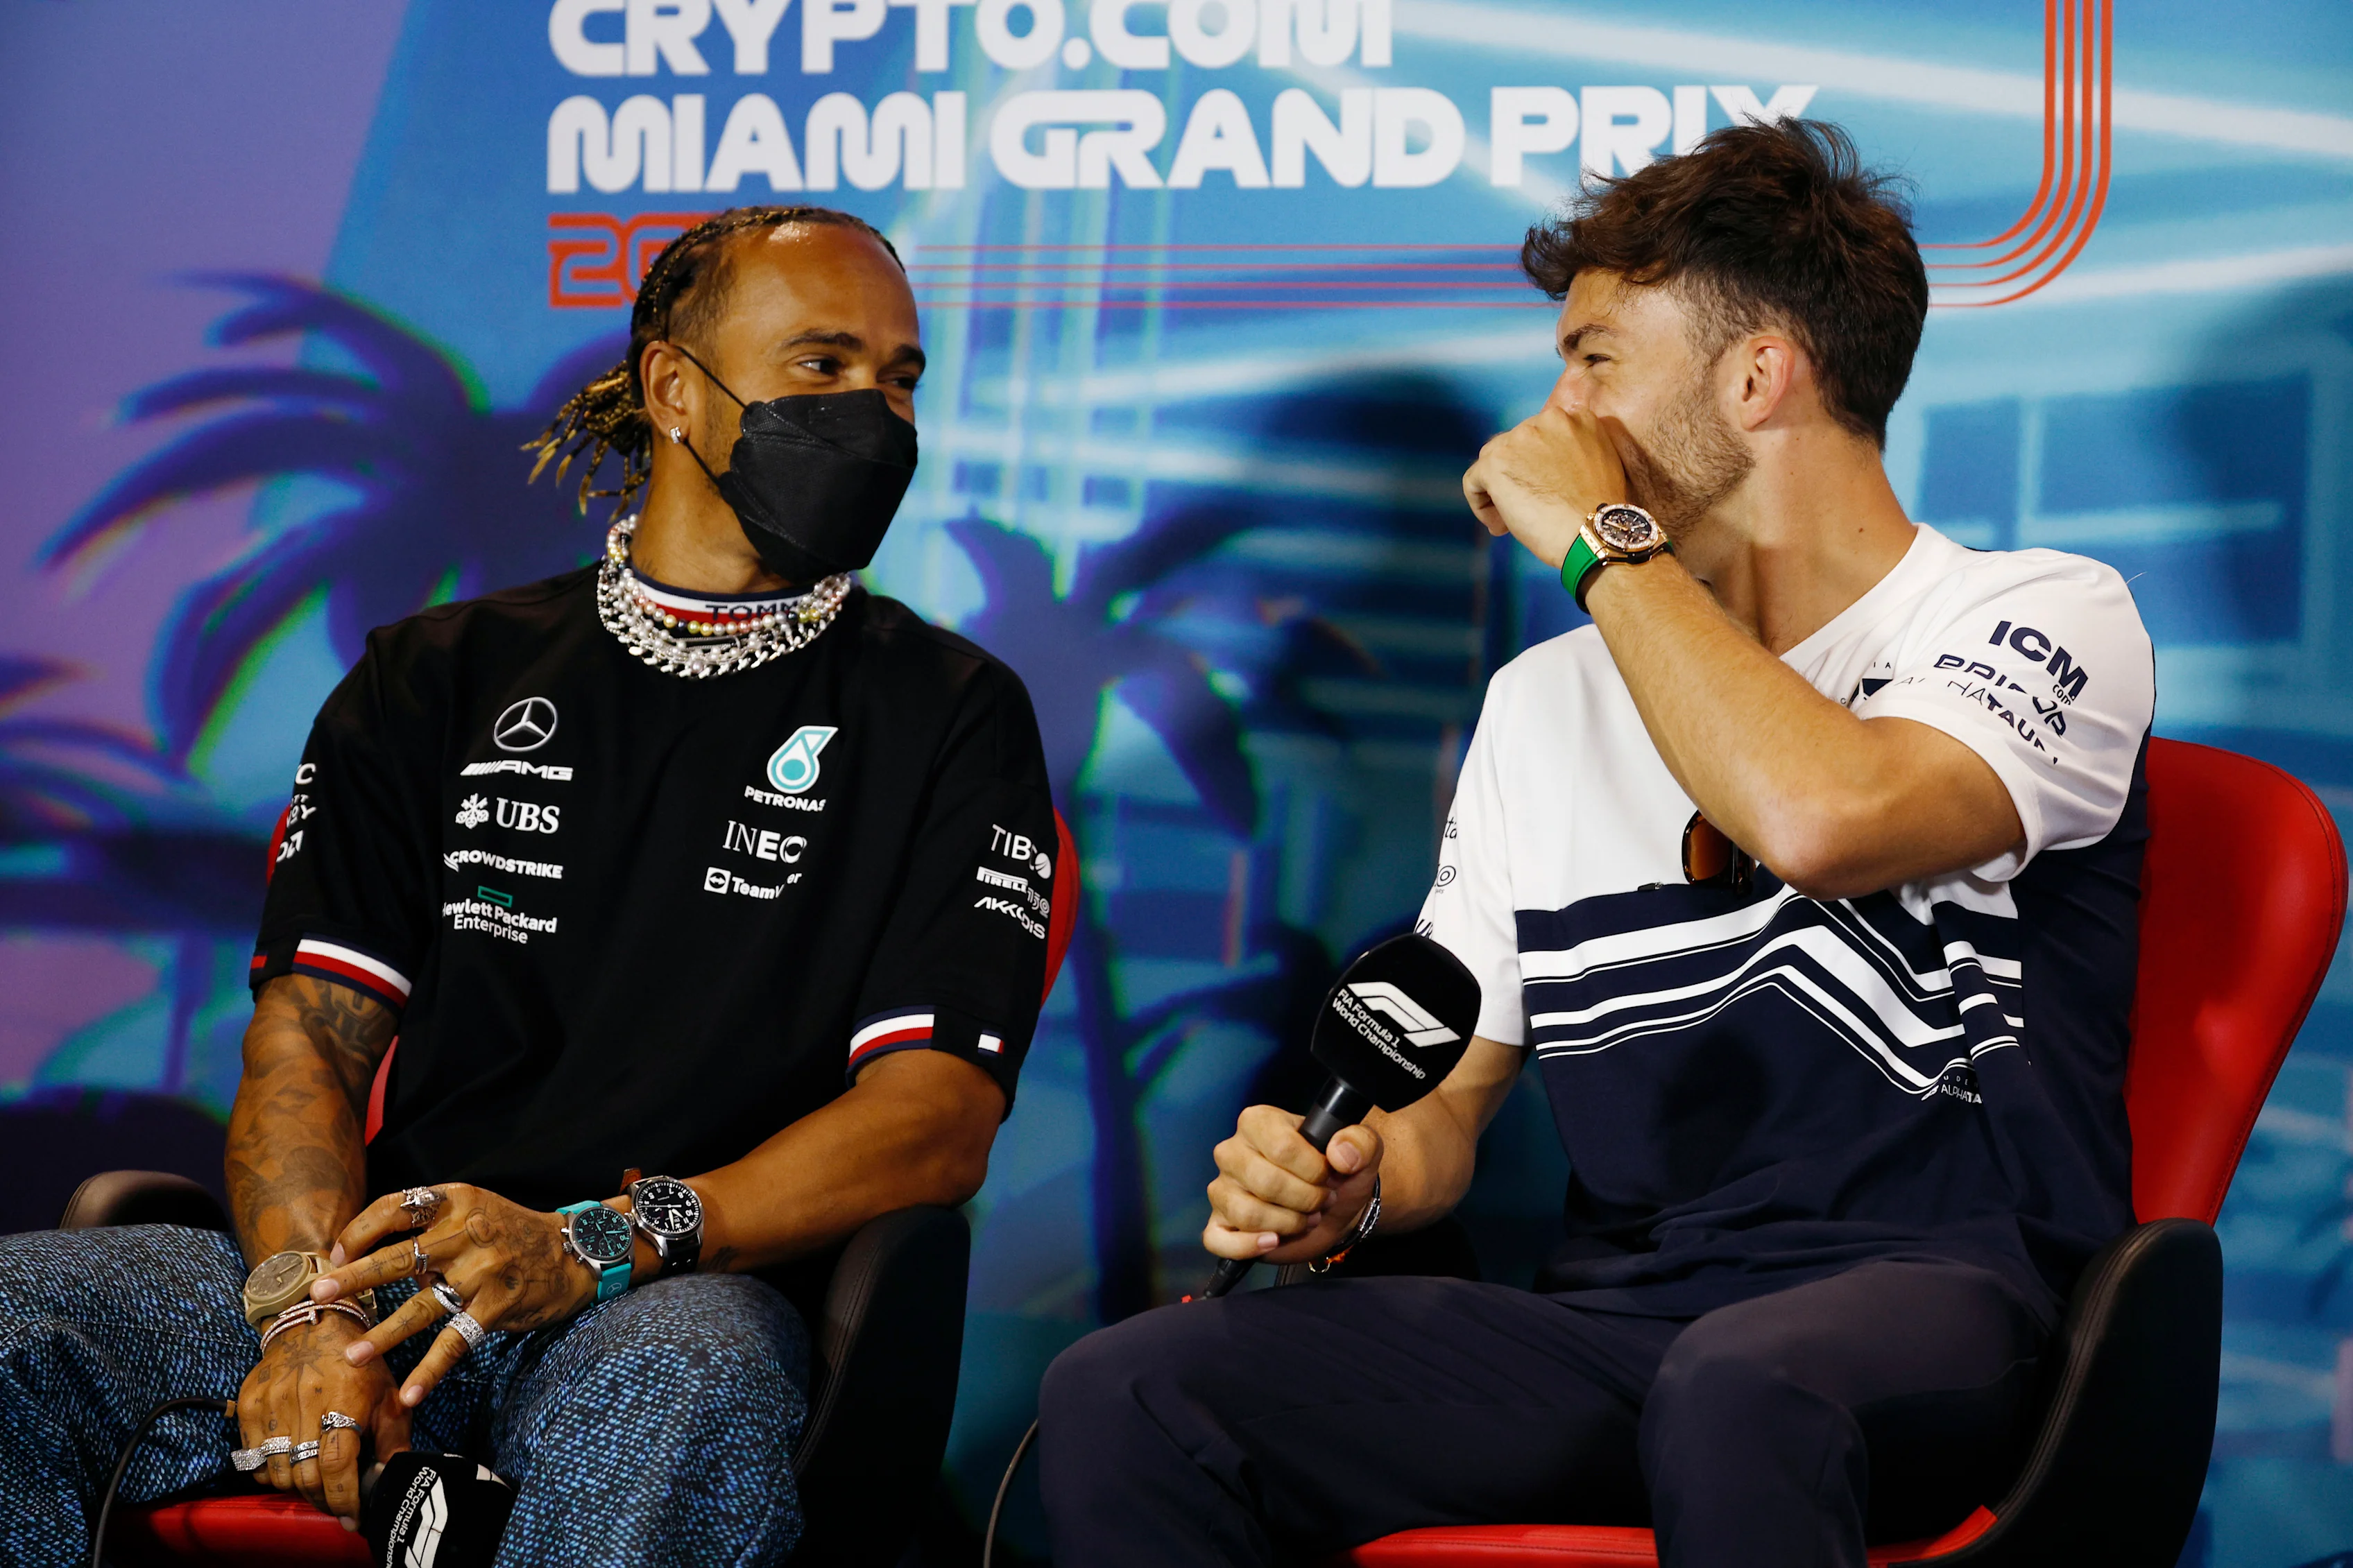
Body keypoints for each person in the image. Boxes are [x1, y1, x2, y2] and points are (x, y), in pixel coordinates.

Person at [1038, 121, 2154, 1567]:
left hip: (1949, 1297)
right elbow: (1446, 1112)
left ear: (1755, 377)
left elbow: (1822, 816)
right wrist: (1356, 1176)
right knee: (1130, 1386)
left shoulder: (2038, 610)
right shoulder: (1537, 701)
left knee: (1748, 1384)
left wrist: (1597, 537)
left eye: (1595, 359)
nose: (1550, 416)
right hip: (1623, 1323)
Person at [0, 204, 1061, 1566]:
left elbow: (935, 1119)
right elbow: (309, 1034)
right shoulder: (433, 673)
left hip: (678, 1290)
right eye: (824, 366)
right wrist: (307, 1316)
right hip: (386, 1274)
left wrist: (610, 1238)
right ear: (680, 388)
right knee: (17, 1321)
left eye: (900, 377)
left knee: (684, 1385)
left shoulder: (951, 711)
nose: (879, 413)